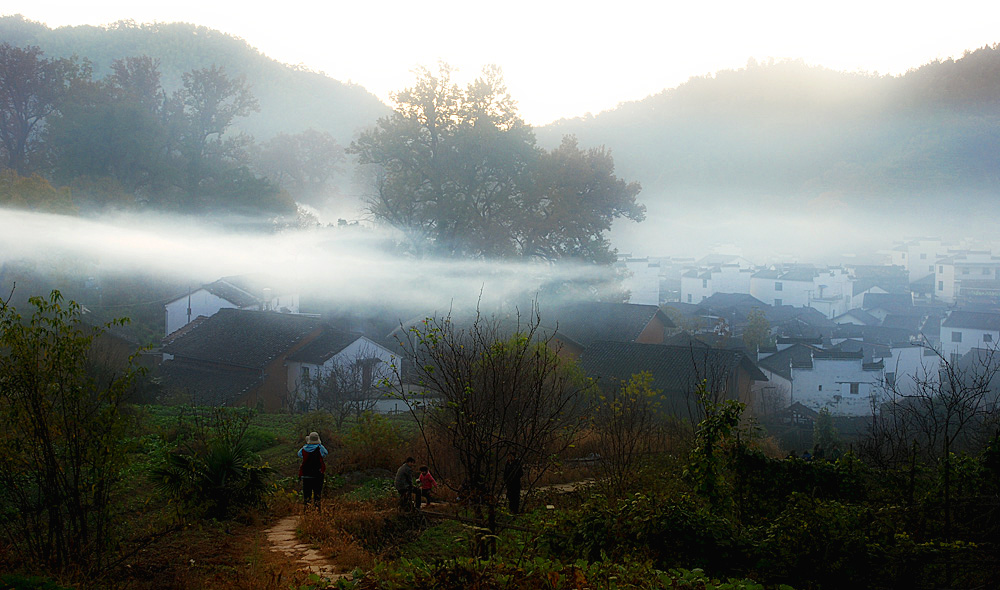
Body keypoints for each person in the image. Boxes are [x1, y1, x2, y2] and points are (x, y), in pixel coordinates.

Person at [298, 431, 328, 510]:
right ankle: (317, 511)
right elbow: (325, 453)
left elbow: (299, 454)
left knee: (306, 494)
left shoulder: (304, 449)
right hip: (317, 475)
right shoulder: (320, 448)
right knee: (317, 494)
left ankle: (306, 511)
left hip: (306, 475)